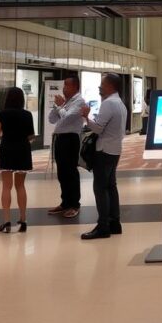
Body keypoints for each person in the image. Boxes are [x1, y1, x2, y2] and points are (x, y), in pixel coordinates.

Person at [80, 73, 128, 240]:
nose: (100, 87)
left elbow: (99, 129)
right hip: (115, 150)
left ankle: (103, 226)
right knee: (111, 186)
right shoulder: (120, 104)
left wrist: (86, 116)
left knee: (100, 188)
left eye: (102, 84)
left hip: (104, 151)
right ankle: (114, 222)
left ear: (110, 86)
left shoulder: (108, 104)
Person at [0, 87, 35, 233]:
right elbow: (31, 136)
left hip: (7, 150)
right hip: (23, 150)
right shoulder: (27, 115)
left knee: (6, 187)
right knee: (20, 186)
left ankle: (6, 221)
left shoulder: (3, 114)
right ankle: (23, 220)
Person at [47, 76, 85, 219]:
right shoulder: (66, 102)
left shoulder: (79, 101)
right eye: (63, 86)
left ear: (75, 87)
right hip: (60, 139)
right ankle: (65, 202)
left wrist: (61, 106)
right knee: (62, 172)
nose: (63, 88)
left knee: (70, 172)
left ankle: (74, 204)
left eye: (66, 86)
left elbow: (67, 117)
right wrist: (57, 106)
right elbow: (52, 119)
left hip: (70, 139)